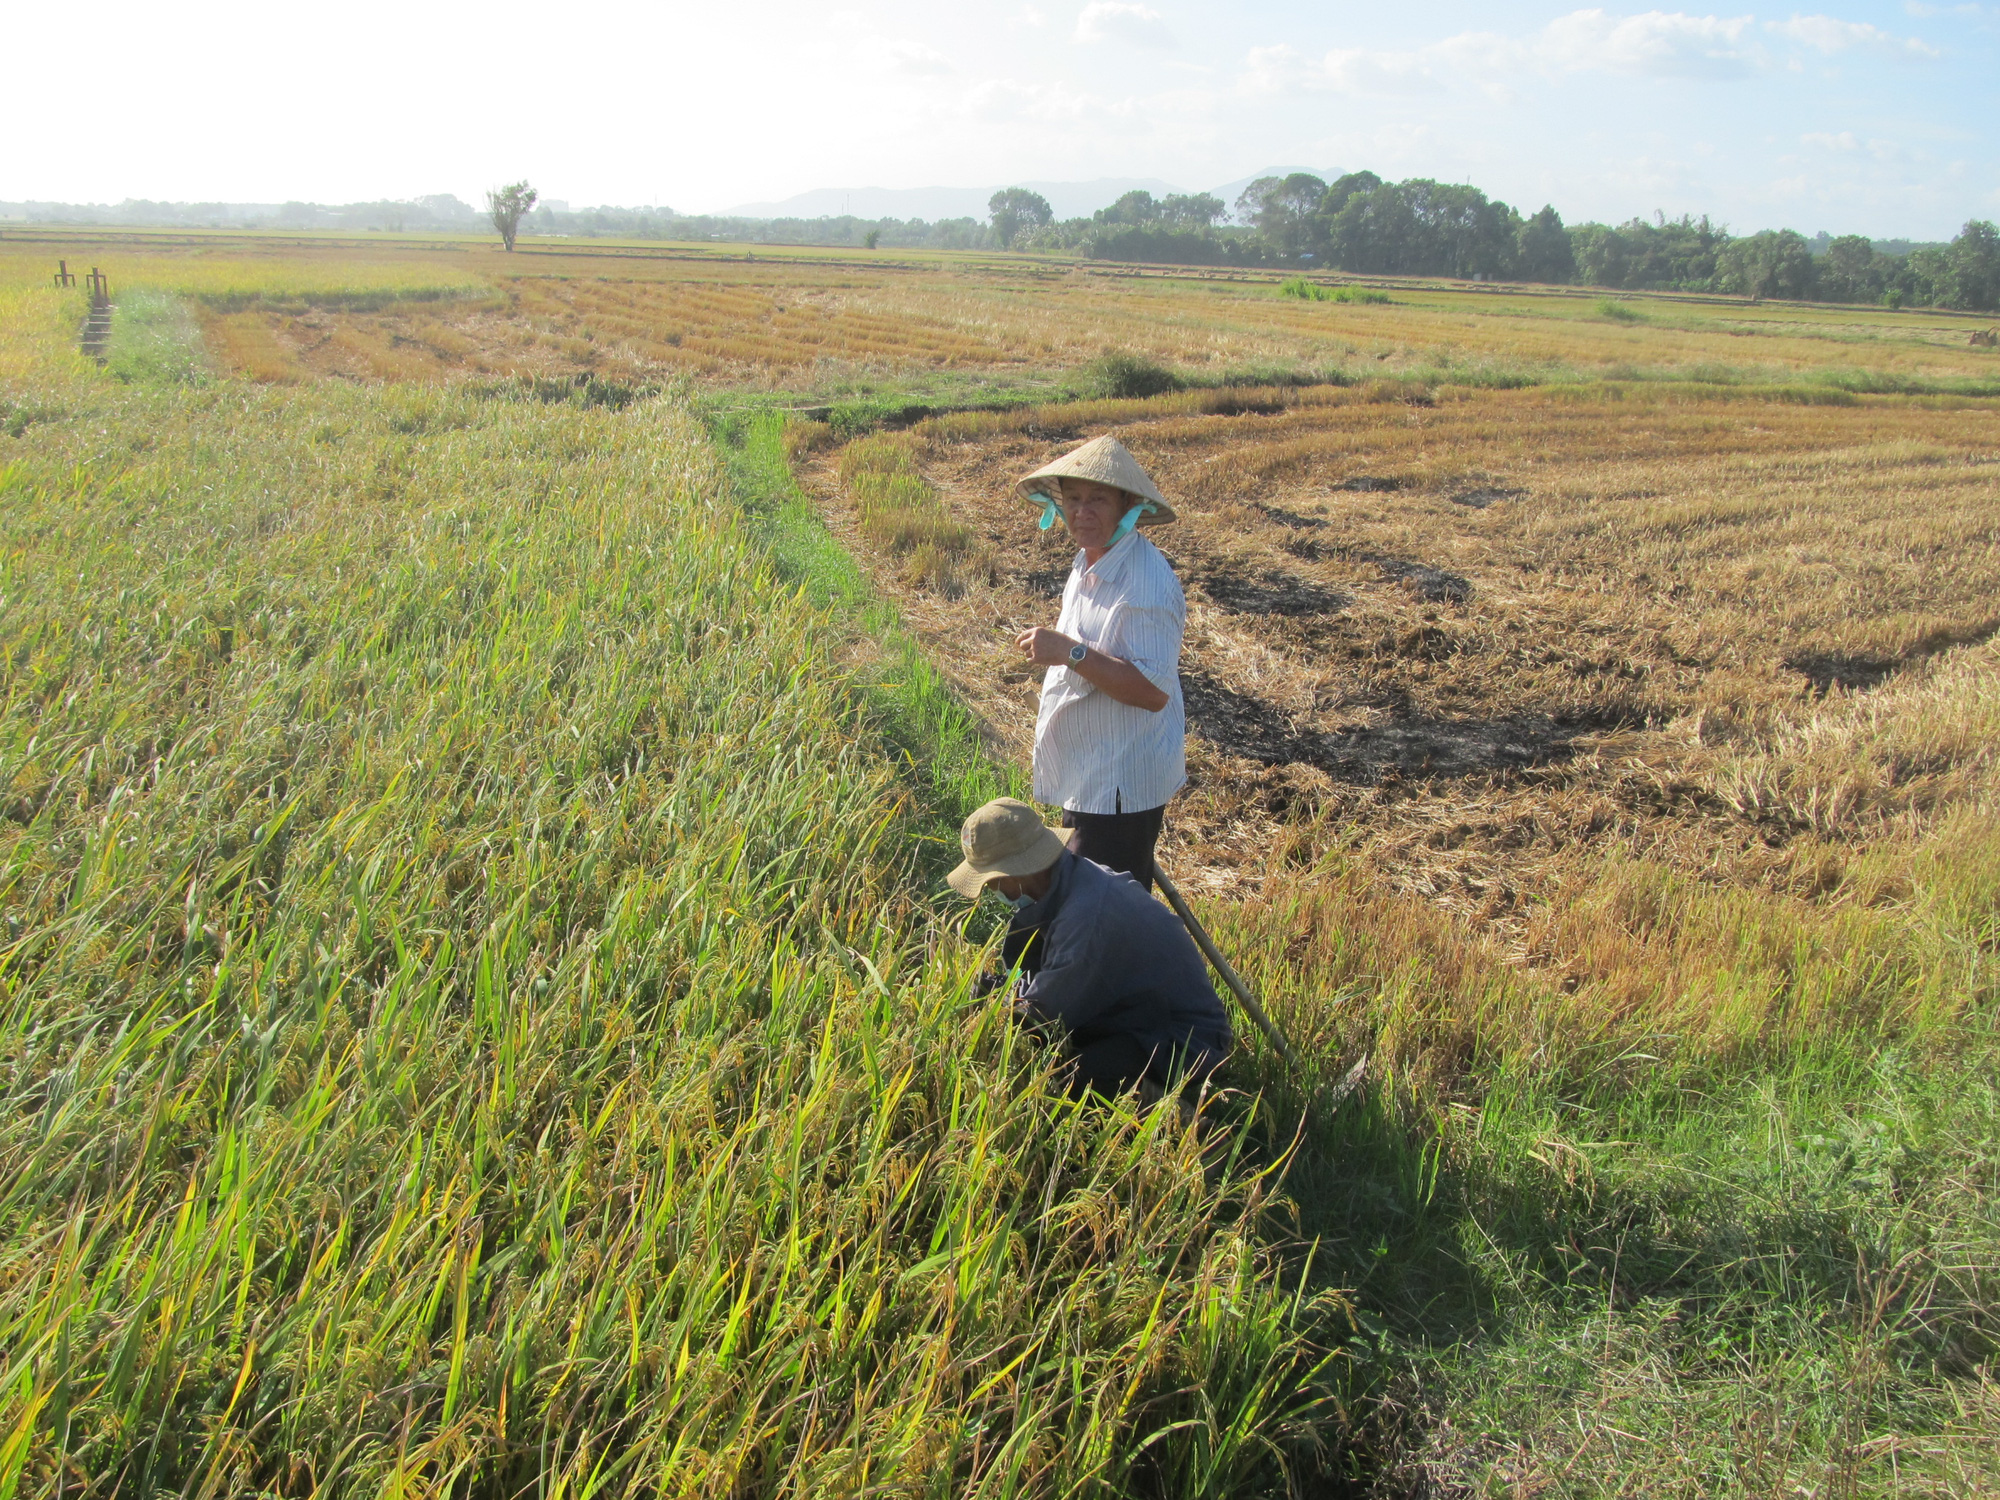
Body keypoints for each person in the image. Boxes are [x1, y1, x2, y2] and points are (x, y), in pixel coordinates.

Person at [948, 797, 1231, 1097]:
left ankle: (1168, 1107)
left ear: (1018, 873)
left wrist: (997, 1007)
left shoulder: (1086, 917)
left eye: (992, 883)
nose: (992, 892)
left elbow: (1042, 1019)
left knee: (1062, 1086)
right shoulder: (1071, 879)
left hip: (1185, 1045)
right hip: (1137, 1015)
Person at [1013, 435, 1184, 893]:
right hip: (1089, 771)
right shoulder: (1089, 562)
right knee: (1084, 898)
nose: (1081, 511)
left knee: (1105, 914)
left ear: (1127, 504)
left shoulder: (1144, 583)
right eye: (1073, 498)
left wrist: (1068, 652)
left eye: (1097, 499)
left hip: (1119, 785)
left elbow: (1151, 692)